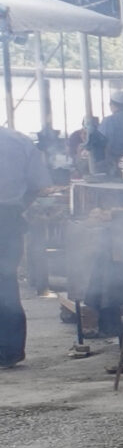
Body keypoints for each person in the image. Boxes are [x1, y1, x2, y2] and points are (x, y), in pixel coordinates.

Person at [0, 117, 50, 367]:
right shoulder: (18, 141)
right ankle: (8, 352)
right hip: (8, 219)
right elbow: (38, 186)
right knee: (6, 281)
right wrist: (17, 206)